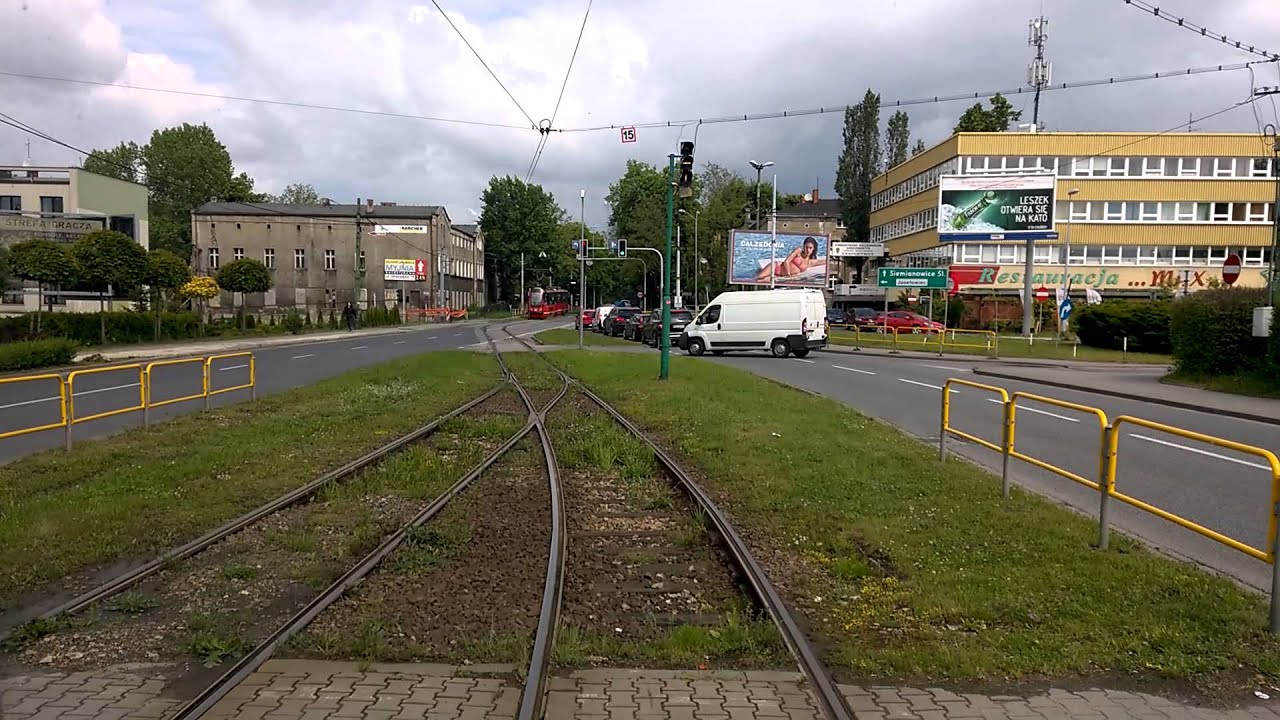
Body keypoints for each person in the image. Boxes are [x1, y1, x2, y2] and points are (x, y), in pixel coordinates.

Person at [754, 236, 825, 283]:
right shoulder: (798, 251)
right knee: (756, 279)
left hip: (780, 276)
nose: (808, 250)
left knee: (761, 281)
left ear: (813, 249)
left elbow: (821, 262)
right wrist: (788, 275)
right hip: (776, 267)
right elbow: (787, 261)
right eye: (806, 247)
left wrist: (833, 259)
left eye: (810, 248)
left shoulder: (810, 262)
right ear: (803, 246)